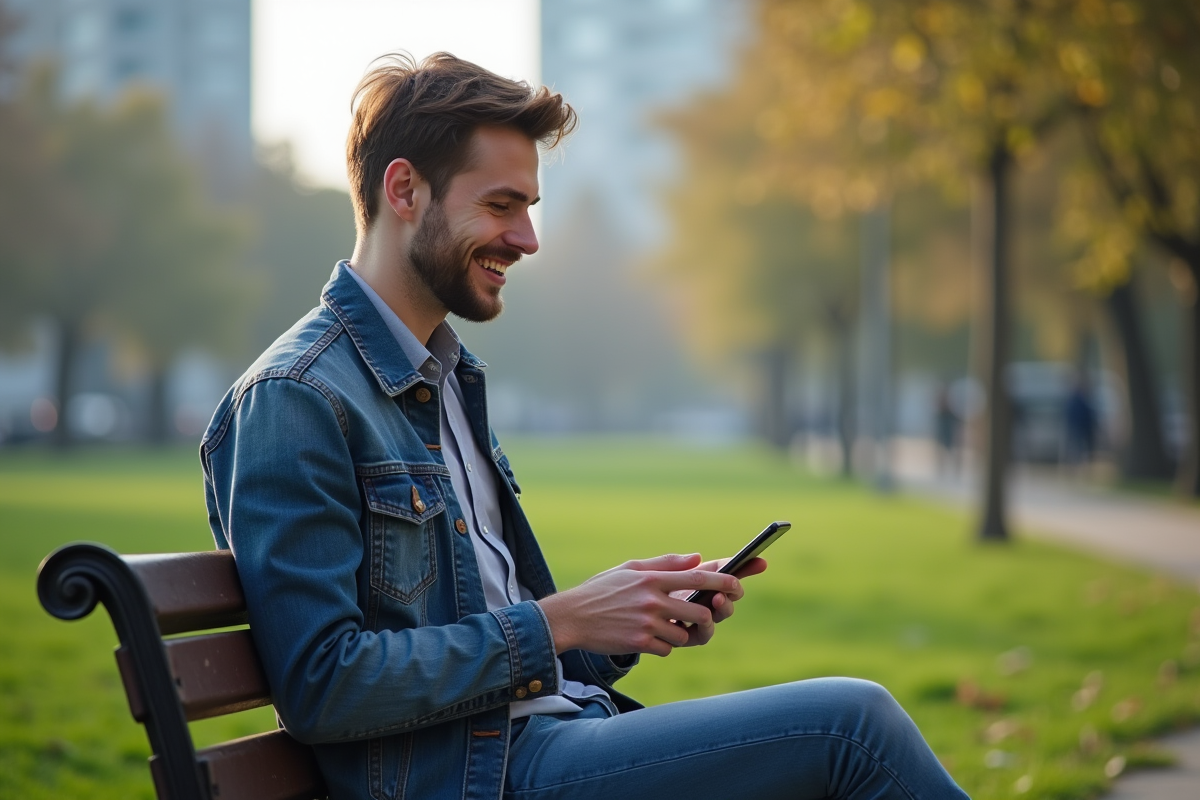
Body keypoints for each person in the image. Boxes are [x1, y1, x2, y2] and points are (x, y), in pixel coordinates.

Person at [201, 52, 970, 800]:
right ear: (405, 189)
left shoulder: (445, 379)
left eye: (529, 210)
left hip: (545, 743)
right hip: (485, 779)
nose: (528, 240)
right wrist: (560, 620)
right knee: (850, 728)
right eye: (501, 205)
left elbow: (502, 653)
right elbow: (323, 686)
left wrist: (616, 627)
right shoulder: (296, 397)